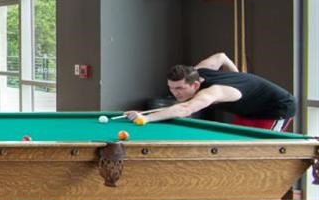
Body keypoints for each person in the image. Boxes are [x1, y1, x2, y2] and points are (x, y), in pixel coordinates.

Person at [124, 52, 296, 129]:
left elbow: (185, 109)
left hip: (277, 108)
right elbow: (221, 56)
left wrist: (145, 118)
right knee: (237, 146)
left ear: (195, 85)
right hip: (249, 108)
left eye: (179, 88)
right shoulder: (198, 70)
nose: (175, 93)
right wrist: (240, 77)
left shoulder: (212, 92)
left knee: (262, 150)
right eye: (171, 88)